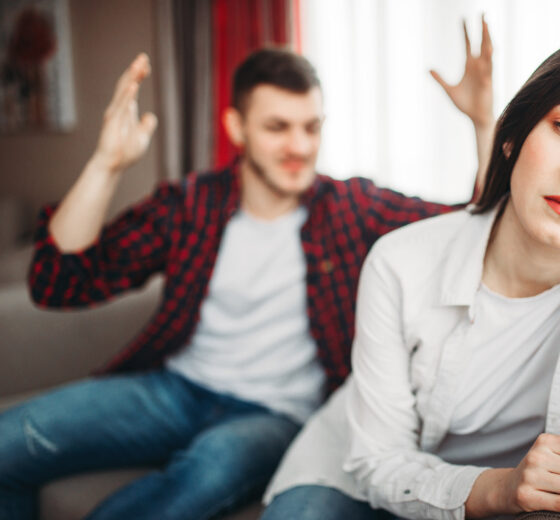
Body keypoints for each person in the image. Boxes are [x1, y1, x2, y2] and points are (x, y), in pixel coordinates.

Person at [0, 19, 495, 520]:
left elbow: (469, 226)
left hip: (277, 415)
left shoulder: (350, 206)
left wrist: (483, 124)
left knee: (208, 469)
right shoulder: (190, 203)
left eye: (311, 126)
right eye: (278, 127)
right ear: (236, 127)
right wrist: (107, 162)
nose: (299, 146)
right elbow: (59, 281)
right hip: (176, 388)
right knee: (7, 442)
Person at [260, 33, 560, 520]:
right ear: (513, 136)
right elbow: (378, 462)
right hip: (351, 478)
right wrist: (499, 488)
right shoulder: (399, 261)